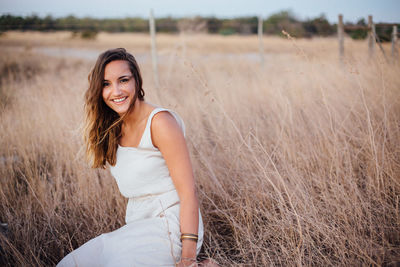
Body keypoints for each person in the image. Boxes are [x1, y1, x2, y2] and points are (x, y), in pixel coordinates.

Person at [57, 48, 204, 267]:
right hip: (137, 227)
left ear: (137, 81)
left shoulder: (160, 123)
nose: (115, 91)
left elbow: (188, 193)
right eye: (106, 84)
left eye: (123, 80)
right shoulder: (113, 126)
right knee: (69, 264)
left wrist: (188, 258)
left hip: (172, 227)